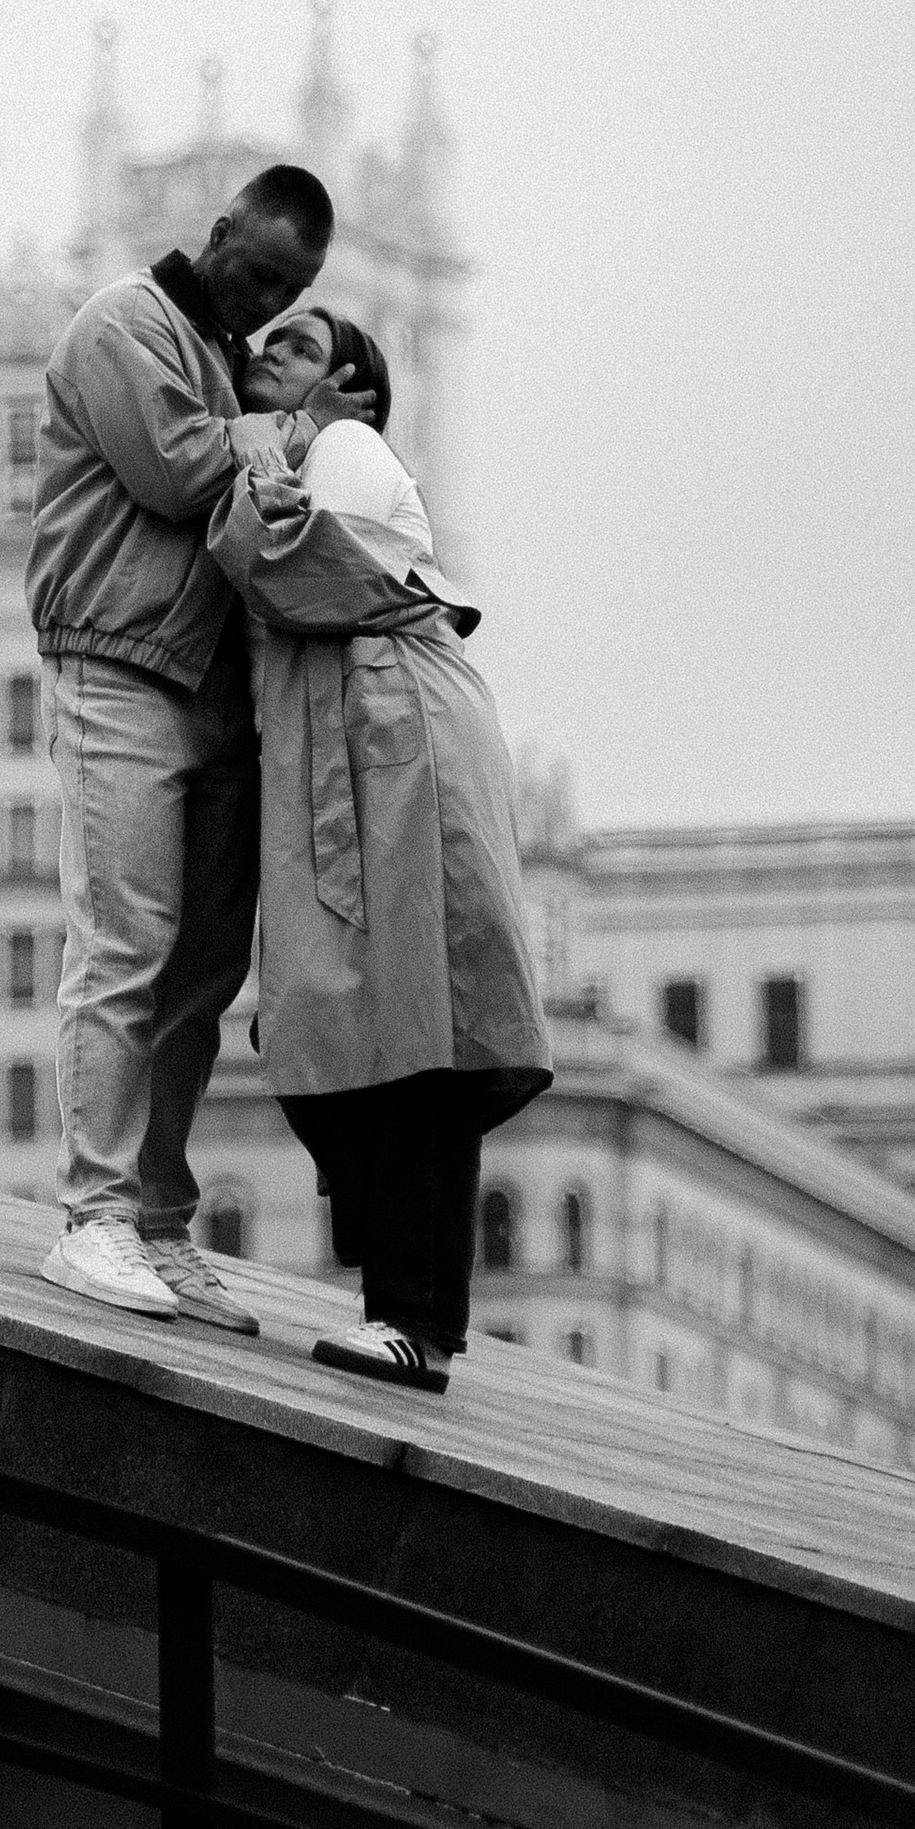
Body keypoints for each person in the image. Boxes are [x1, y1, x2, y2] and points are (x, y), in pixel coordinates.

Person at [24, 168, 374, 1324]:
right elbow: (178, 471)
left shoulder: (232, 365)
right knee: (124, 945)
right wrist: (301, 430)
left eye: (294, 288)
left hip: (222, 692)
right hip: (119, 669)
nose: (269, 297)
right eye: (261, 269)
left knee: (197, 976)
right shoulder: (127, 323)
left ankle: (158, 1223)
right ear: (219, 232)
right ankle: (94, 1215)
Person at [212, 307, 552, 1389]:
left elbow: (283, 567)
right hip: (344, 737)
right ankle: (396, 1293)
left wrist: (254, 448)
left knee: (418, 1022)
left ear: (353, 391)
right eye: (266, 344)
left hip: (396, 730)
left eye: (303, 350)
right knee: (324, 1015)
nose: (272, 355)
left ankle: (414, 1318)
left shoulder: (345, 450)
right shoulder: (294, 451)